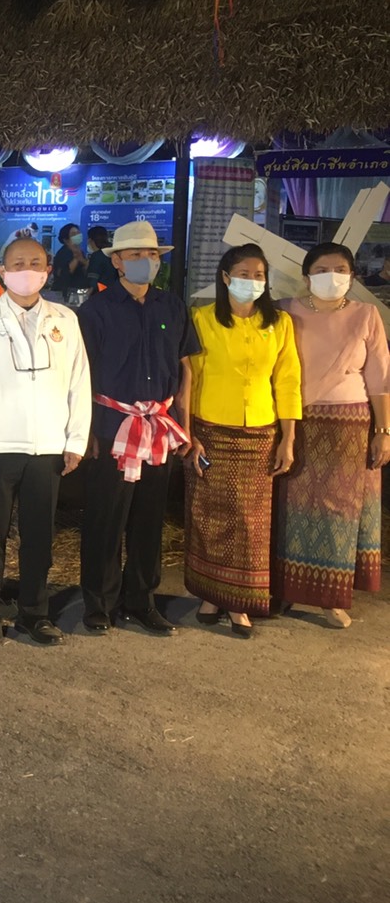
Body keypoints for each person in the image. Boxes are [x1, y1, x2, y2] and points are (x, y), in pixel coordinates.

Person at [0, 236, 90, 645]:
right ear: (1, 271)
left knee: (39, 535)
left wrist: (76, 439)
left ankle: (34, 612)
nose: (26, 270)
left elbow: (79, 380)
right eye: (17, 263)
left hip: (48, 444)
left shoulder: (65, 319)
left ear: (48, 270)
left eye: (35, 263)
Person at [76, 221, 198, 635]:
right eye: (135, 255)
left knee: (149, 519)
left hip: (159, 428)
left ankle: (141, 600)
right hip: (113, 426)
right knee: (105, 518)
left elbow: (185, 370)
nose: (146, 261)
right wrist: (87, 432)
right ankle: (99, 603)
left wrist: (184, 426)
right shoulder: (95, 311)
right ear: (117, 261)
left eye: (151, 255)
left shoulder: (172, 307)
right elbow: (81, 375)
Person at [185, 244, 301, 638]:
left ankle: (240, 602)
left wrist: (288, 438)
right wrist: (189, 433)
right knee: (207, 515)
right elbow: (190, 379)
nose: (251, 281)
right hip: (210, 429)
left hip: (260, 433)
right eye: (243, 274)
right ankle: (210, 596)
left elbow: (288, 380)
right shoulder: (202, 319)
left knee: (250, 522)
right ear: (225, 277)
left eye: (258, 275)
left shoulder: (279, 322)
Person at [275, 242, 389, 628]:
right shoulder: (284, 310)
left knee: (338, 512)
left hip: (349, 427)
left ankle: (330, 597)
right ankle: (288, 590)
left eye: (340, 269)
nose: (332, 277)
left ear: (352, 276)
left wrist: (383, 431)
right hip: (295, 422)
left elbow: (380, 378)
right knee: (289, 509)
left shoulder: (366, 315)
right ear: (306, 276)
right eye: (322, 269)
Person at [49, 222, 89, 297]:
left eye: (78, 233)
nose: (77, 236)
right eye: (73, 234)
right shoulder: (63, 253)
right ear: (66, 239)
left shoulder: (80, 252)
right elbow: (64, 274)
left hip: (78, 292)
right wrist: (76, 259)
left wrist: (82, 260)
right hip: (65, 293)